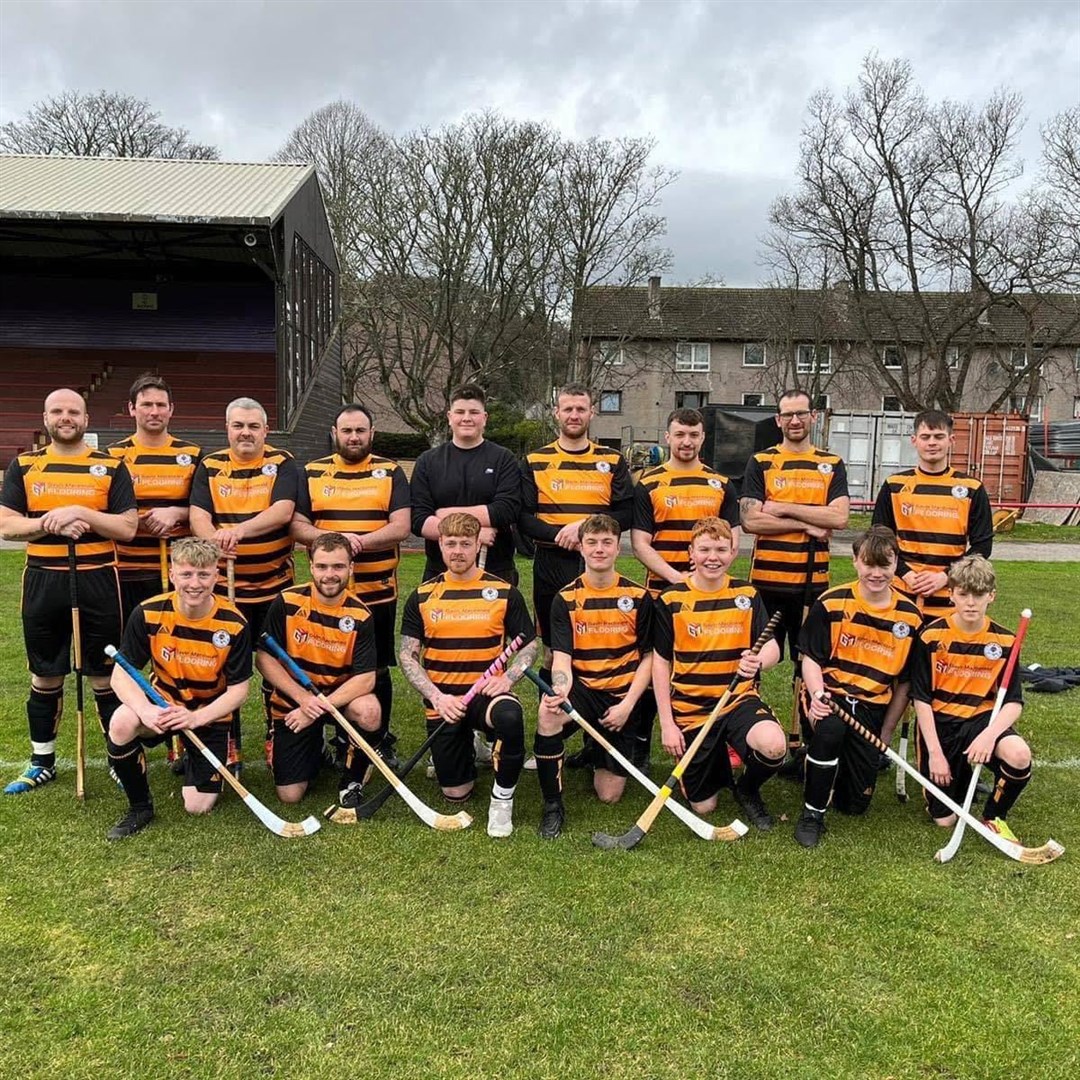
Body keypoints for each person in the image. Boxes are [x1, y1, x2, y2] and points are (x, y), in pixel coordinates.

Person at [0, 388, 137, 795]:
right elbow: (7, 524)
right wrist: (50, 523)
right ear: (45, 417)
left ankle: (119, 756)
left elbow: (127, 528)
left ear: (86, 417)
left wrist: (82, 514)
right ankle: (42, 761)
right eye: (57, 411)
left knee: (104, 674)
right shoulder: (24, 466)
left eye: (73, 411)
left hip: (97, 576)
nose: (66, 417)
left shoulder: (111, 466)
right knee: (45, 673)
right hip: (44, 577)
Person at [399, 512, 538, 837]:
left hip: (486, 696)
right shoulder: (422, 596)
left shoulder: (503, 592)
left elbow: (529, 646)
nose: (458, 550)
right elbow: (407, 655)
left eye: (465, 543)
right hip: (444, 701)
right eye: (450, 544)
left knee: (509, 716)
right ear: (440, 546)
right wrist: (436, 697)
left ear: (478, 544)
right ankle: (466, 742)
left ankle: (502, 800)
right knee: (455, 793)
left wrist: (509, 678)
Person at [104, 537, 251, 838]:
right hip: (163, 704)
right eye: (186, 574)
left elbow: (239, 691)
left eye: (203, 574)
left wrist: (196, 718)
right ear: (172, 575)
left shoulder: (234, 623)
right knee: (121, 722)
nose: (194, 583)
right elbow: (121, 675)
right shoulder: (148, 612)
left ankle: (192, 753)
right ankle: (139, 807)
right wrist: (145, 711)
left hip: (207, 714)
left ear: (217, 575)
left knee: (197, 806)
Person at [291, 403, 410, 764]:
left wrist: (358, 541)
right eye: (347, 431)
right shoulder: (312, 473)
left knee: (375, 667)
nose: (354, 437)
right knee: (323, 663)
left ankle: (378, 737)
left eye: (361, 431)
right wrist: (334, 539)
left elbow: (401, 526)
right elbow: (297, 526)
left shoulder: (390, 472)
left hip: (377, 591)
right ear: (334, 433)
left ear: (372, 434)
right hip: (327, 592)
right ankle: (322, 739)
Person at [652, 517, 787, 831]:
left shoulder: (747, 594)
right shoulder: (671, 600)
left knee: (774, 745)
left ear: (732, 553)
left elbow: (773, 649)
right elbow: (660, 663)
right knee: (705, 807)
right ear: (691, 553)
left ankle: (748, 789)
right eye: (705, 549)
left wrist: (758, 663)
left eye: (721, 549)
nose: (713, 557)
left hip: (738, 701)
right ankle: (716, 764)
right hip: (692, 711)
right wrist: (668, 724)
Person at [795, 525, 922, 847]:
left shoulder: (911, 617)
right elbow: (810, 659)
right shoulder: (832, 602)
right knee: (830, 731)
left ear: (896, 564)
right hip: (830, 695)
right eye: (869, 564)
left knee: (854, 805)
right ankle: (812, 813)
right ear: (855, 561)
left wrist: (886, 735)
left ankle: (824, 769)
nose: (876, 573)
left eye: (885, 565)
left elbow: (904, 684)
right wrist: (817, 695)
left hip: (872, 708)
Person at [740, 390, 850, 761]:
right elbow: (751, 519)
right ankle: (743, 734)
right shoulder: (762, 461)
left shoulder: (830, 463)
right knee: (753, 659)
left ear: (813, 417)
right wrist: (809, 521)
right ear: (778, 420)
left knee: (809, 664)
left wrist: (785, 509)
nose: (795, 421)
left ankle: (806, 740)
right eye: (787, 415)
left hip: (812, 585)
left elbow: (838, 518)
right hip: (766, 585)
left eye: (801, 413)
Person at [189, 397, 298, 769]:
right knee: (222, 667)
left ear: (266, 430)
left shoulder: (282, 462)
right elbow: (199, 515)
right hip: (224, 590)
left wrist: (236, 532)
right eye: (238, 425)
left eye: (253, 426)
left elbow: (282, 511)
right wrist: (215, 542)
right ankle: (227, 739)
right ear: (228, 429)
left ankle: (276, 734)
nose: (246, 432)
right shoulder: (210, 465)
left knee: (277, 666)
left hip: (274, 588)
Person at [535, 514, 654, 837]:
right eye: (592, 542)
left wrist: (628, 704)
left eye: (606, 543)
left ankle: (594, 749)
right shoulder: (565, 598)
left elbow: (648, 659)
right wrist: (560, 690)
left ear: (618, 549)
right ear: (581, 548)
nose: (599, 549)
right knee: (547, 717)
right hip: (584, 688)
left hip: (622, 695)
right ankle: (552, 805)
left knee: (609, 796)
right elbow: (562, 658)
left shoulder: (640, 597)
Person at [257, 533, 381, 809]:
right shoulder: (287, 602)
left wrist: (317, 706)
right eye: (322, 566)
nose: (330, 575)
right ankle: (318, 748)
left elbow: (365, 679)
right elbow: (265, 659)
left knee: (370, 712)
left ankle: (353, 779)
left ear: (351, 568)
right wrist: (303, 700)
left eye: (338, 567)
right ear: (311, 566)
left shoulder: (361, 615)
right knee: (290, 796)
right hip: (296, 699)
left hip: (339, 698)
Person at [911, 555, 1031, 837]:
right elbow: (921, 700)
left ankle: (993, 816)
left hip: (981, 721)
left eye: (978, 595)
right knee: (945, 820)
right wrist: (936, 755)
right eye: (963, 594)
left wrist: (989, 736)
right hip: (942, 726)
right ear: (951, 594)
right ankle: (957, 778)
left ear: (991, 596)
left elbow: (1012, 702)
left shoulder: (1005, 641)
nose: (970, 602)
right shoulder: (930, 637)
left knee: (1019, 755)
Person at [872, 409, 993, 621]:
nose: (932, 443)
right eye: (925, 437)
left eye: (939, 437)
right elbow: (879, 540)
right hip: (901, 592)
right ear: (914, 441)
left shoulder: (972, 488)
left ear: (951, 440)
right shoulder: (894, 486)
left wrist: (945, 576)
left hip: (950, 595)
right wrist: (906, 574)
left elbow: (982, 546)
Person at [107, 373, 202, 619]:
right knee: (130, 647)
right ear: (131, 408)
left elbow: (206, 509)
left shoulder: (192, 454)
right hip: (125, 568)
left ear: (171, 410)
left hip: (179, 568)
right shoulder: (112, 456)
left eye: (161, 405)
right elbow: (102, 512)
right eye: (146, 404)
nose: (154, 411)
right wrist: (138, 521)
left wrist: (176, 513)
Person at [410, 384, 522, 584]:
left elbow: (507, 510)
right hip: (440, 571)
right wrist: (476, 533)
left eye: (474, 412)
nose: (467, 418)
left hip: (495, 570)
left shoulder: (504, 459)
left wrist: (444, 514)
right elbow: (419, 520)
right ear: (449, 417)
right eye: (460, 412)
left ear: (485, 418)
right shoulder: (427, 461)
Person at [632, 408, 740, 596]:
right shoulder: (648, 485)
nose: (687, 442)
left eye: (694, 435)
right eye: (680, 435)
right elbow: (639, 544)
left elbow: (733, 542)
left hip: (708, 590)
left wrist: (705, 575)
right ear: (668, 437)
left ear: (703, 437)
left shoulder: (722, 484)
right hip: (661, 590)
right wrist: (676, 578)